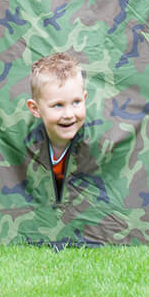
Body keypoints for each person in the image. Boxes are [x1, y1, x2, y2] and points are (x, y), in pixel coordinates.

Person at [27, 52, 87, 193]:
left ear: (84, 98)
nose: (69, 114)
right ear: (35, 109)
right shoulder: (29, 146)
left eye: (76, 102)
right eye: (58, 105)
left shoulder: (97, 145)